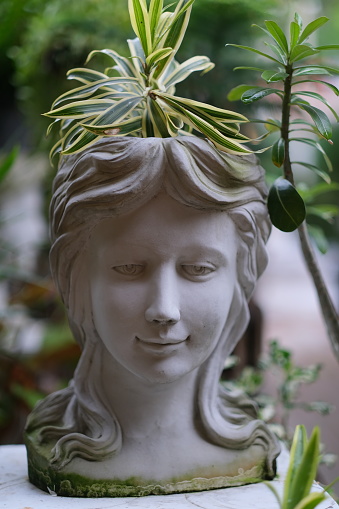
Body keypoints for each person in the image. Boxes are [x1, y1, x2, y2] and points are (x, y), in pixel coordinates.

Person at [25, 136, 280, 496]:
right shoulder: (61, 453)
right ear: (75, 277)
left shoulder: (249, 445)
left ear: (243, 275)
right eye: (129, 267)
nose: (164, 309)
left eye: (198, 268)